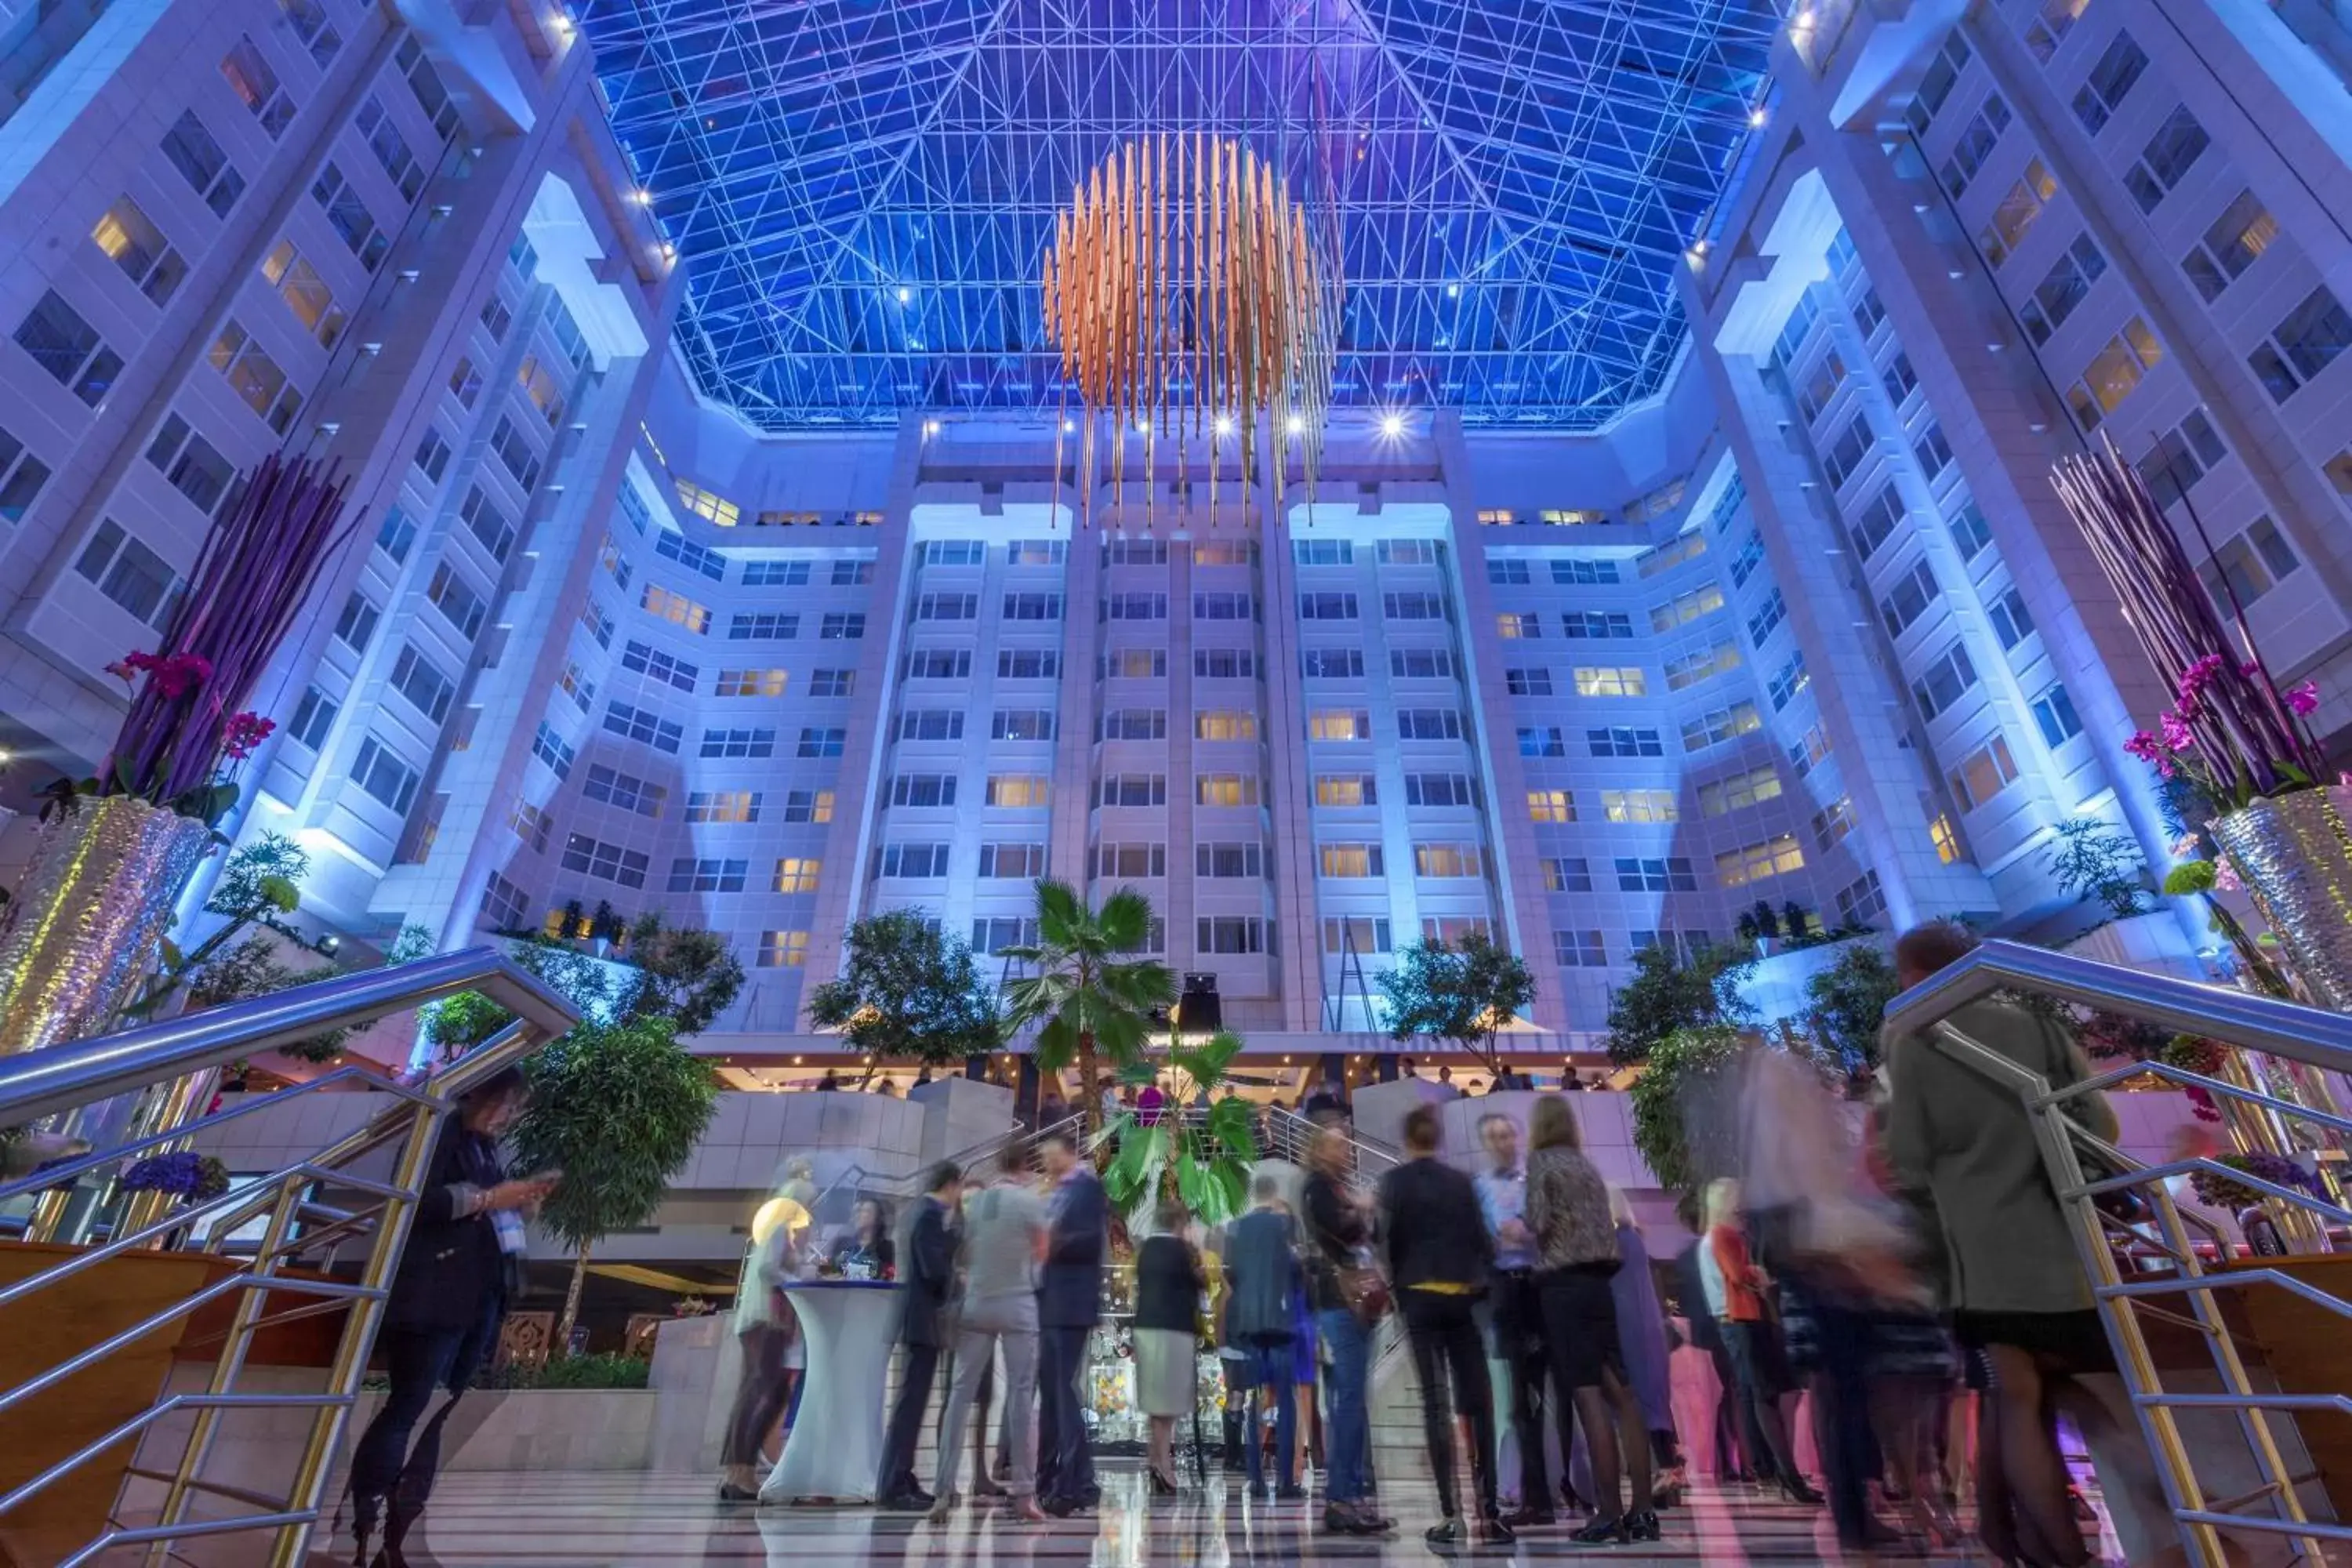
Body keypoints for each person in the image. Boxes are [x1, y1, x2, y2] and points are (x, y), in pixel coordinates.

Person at [1882, 920, 2182, 1567]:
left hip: (1982, 1253)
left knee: (2016, 1401)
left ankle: (2064, 1554)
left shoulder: (1917, 1038)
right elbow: (2096, 1121)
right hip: (2061, 1242)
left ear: (1913, 974)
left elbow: (1906, 1154)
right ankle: (2135, 1526)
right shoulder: (2037, 1022)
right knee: (2077, 1390)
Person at [346, 1069, 553, 1557]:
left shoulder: (484, 1149)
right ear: (482, 1095)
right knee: (409, 1406)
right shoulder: (440, 1133)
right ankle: (366, 1521)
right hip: (432, 1295)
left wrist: (519, 1201)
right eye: (508, 1105)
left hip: (474, 1296)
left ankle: (400, 1528)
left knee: (439, 1410)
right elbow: (415, 1201)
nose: (511, 1117)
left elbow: (487, 1208)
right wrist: (490, 1198)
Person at [1378, 1105, 1511, 1548]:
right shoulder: (1461, 1183)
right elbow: (1481, 1240)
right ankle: (1489, 1507)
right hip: (1461, 1300)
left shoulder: (1393, 1183)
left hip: (1418, 1300)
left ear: (1407, 1141)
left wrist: (1398, 1293)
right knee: (1479, 1402)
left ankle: (1450, 1512)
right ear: (1437, 1139)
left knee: (1436, 1404)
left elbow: (1389, 1242)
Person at [1526, 1094, 1655, 1544]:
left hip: (1563, 1289)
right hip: (1601, 1287)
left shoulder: (1543, 1165)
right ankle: (1643, 1510)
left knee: (1589, 1399)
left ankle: (1608, 1512)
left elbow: (1538, 1223)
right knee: (1623, 1396)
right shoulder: (1589, 1170)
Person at [932, 1144, 1048, 1523]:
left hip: (977, 1304)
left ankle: (943, 1489)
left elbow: (960, 1249)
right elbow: (1043, 1252)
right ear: (1026, 1167)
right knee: (1019, 1395)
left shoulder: (974, 1203)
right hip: (1016, 1304)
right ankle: (1024, 1495)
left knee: (959, 1394)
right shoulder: (1031, 1203)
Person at [1703, 1178, 1816, 1503]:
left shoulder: (1734, 1234)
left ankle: (1787, 1474)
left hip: (1754, 1319)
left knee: (1768, 1396)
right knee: (1763, 1397)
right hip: (1743, 1321)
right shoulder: (1722, 1235)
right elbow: (1738, 1276)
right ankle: (1787, 1475)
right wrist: (1758, 1274)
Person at [1303, 1127, 1387, 1534]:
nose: (1346, 1150)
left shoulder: (1339, 1187)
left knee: (1352, 1400)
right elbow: (1343, 1229)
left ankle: (1351, 1494)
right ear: (1320, 1150)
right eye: (1337, 1143)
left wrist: (1362, 1208)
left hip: (1353, 1300)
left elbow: (1370, 1233)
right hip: (1338, 1300)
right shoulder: (1318, 1187)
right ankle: (1341, 1497)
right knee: (1348, 1400)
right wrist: (1362, 1209)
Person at [1472, 1111, 1552, 1527]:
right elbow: (1480, 1238)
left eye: (1507, 1134)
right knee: (1518, 1402)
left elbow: (1546, 1225)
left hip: (1540, 1286)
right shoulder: (1480, 1187)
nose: (1502, 1142)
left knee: (1552, 1395)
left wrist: (1526, 1231)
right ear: (1485, 1144)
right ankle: (1534, 1495)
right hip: (1505, 1290)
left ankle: (1565, 1487)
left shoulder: (1535, 1178)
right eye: (1494, 1137)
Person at [878, 1162, 960, 1508]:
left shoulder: (917, 1212)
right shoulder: (928, 1215)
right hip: (922, 1320)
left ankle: (902, 1476)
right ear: (951, 1184)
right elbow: (932, 1268)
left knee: (911, 1403)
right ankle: (894, 1483)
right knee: (911, 1405)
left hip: (919, 1320)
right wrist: (958, 1279)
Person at [719, 1186, 809, 1500]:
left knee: (755, 1392)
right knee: (766, 1392)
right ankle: (740, 1470)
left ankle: (737, 1471)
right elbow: (768, 1269)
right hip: (767, 1323)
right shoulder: (780, 1233)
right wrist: (796, 1280)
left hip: (758, 1323)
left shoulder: (776, 1233)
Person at [1035, 1129, 1106, 1515]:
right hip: (1051, 1302)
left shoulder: (1086, 1188)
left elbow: (1090, 1240)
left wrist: (1050, 1241)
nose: (1046, 1164)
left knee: (1063, 1390)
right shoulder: (1056, 1191)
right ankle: (1069, 1478)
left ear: (1068, 1153)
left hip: (1071, 1303)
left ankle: (1075, 1482)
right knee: (1054, 1391)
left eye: (1050, 1156)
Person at [1224, 1172, 1305, 1502]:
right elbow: (1298, 1267)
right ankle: (1286, 1480)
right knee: (1284, 1401)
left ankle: (1255, 1480)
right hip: (1281, 1321)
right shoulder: (1284, 1225)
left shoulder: (1237, 1228)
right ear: (1274, 1195)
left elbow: (1231, 1274)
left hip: (1249, 1324)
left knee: (1252, 1401)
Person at [1132, 1200, 1203, 1495]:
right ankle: (1164, 1465)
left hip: (1146, 1328)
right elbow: (1198, 1283)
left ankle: (1155, 1458)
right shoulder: (1181, 1251)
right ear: (1179, 1223)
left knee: (1154, 1400)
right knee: (1169, 1403)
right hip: (1174, 1329)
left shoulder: (1146, 1249)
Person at [829, 1197, 895, 1278]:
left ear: (877, 1218)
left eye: (866, 1211)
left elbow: (891, 1277)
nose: (859, 1215)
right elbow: (825, 1273)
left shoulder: (887, 1249)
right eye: (858, 1211)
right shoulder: (842, 1244)